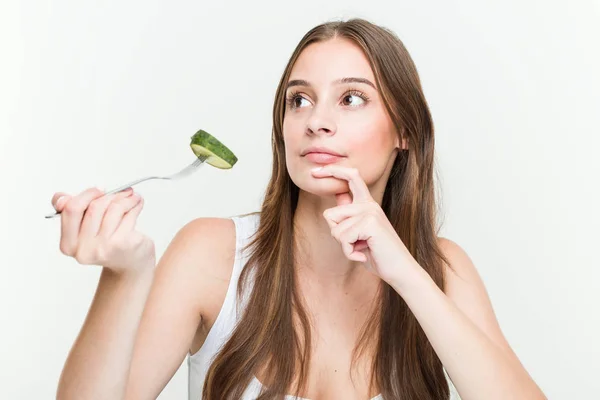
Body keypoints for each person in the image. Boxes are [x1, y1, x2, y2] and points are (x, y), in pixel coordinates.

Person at [52, 18, 546, 400]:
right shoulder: (211, 255)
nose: (317, 121)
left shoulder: (443, 270)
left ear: (404, 133)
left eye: (352, 98)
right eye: (299, 100)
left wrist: (407, 274)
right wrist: (125, 276)